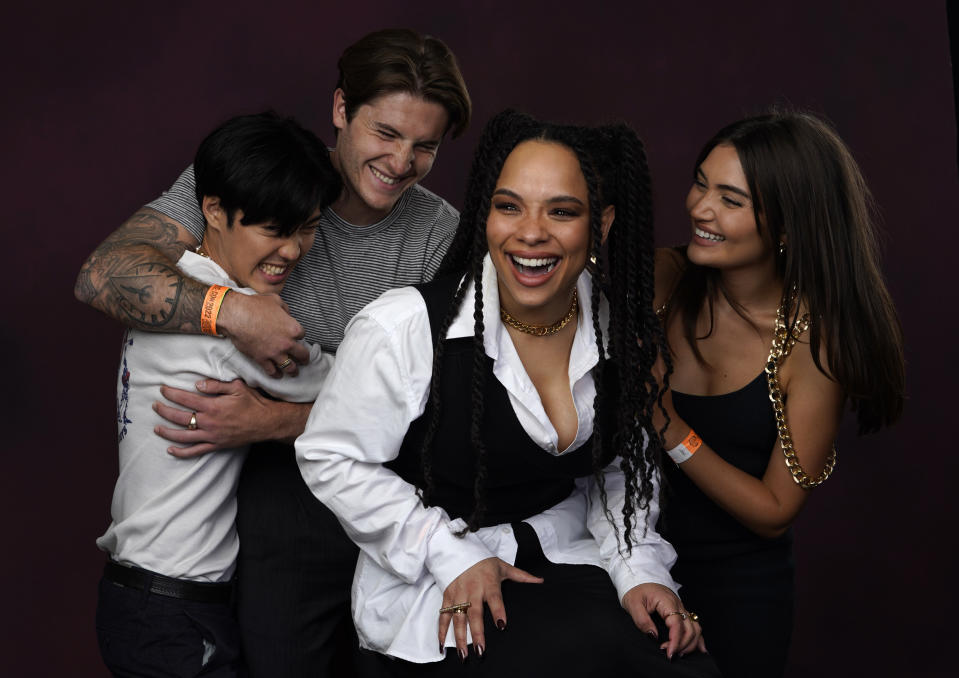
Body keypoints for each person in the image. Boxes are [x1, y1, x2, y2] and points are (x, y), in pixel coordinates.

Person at [75, 28, 471, 677]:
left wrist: (274, 420)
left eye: (424, 145)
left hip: (380, 486)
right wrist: (233, 314)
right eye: (386, 134)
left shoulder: (437, 232)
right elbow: (101, 274)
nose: (401, 161)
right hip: (241, 538)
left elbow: (443, 399)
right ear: (342, 109)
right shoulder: (257, 171)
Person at [295, 110, 719, 677]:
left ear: (603, 223)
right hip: (440, 580)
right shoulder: (404, 327)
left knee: (684, 668)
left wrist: (639, 569)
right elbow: (331, 456)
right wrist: (449, 554)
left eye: (562, 211)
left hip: (565, 559)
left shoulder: (617, 326)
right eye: (508, 205)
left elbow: (620, 468)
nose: (530, 232)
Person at [653, 110, 906, 677]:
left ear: (789, 226)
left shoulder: (812, 344)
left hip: (739, 596)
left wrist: (668, 428)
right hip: (632, 574)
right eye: (700, 182)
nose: (700, 208)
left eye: (731, 199)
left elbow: (774, 513)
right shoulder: (663, 279)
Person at [94, 111, 340, 677]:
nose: (295, 250)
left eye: (308, 228)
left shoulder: (170, 292)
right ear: (213, 211)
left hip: (145, 599)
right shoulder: (233, 327)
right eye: (275, 230)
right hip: (173, 609)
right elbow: (347, 384)